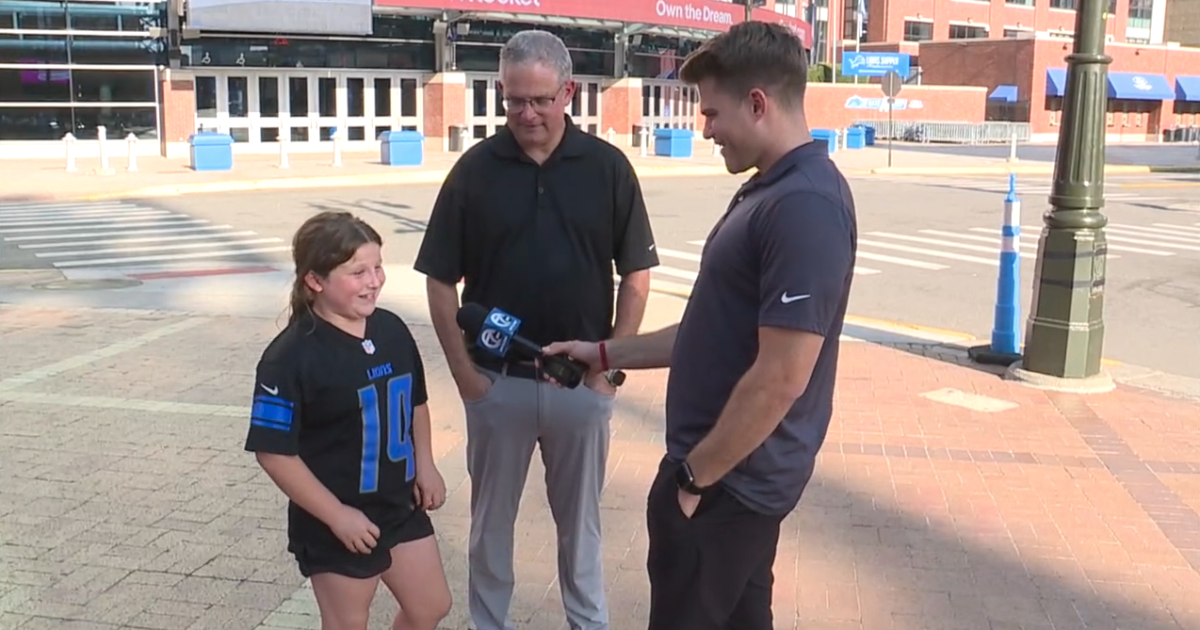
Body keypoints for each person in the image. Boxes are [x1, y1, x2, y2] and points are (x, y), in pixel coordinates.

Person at [543, 21, 858, 630]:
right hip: (724, 485)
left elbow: (781, 377)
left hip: (727, 489)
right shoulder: (770, 191)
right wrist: (602, 354)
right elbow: (707, 332)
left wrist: (694, 479)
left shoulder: (803, 206)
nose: (704, 128)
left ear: (759, 104)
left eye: (712, 113)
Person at [413, 29, 659, 630]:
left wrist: (608, 367)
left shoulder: (607, 168)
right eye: (514, 99)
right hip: (498, 387)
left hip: (582, 387)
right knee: (489, 529)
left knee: (581, 531)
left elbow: (636, 277)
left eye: (541, 100)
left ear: (568, 91)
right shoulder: (474, 172)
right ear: (501, 93)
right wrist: (466, 377)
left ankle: (588, 623)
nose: (527, 113)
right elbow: (440, 283)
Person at [245, 211, 452, 630]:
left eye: (377, 267)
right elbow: (273, 452)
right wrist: (337, 515)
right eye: (357, 272)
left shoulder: (391, 329)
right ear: (315, 281)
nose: (374, 280)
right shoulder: (289, 358)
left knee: (431, 606)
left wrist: (425, 464)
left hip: (400, 504)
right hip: (336, 519)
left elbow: (416, 403)